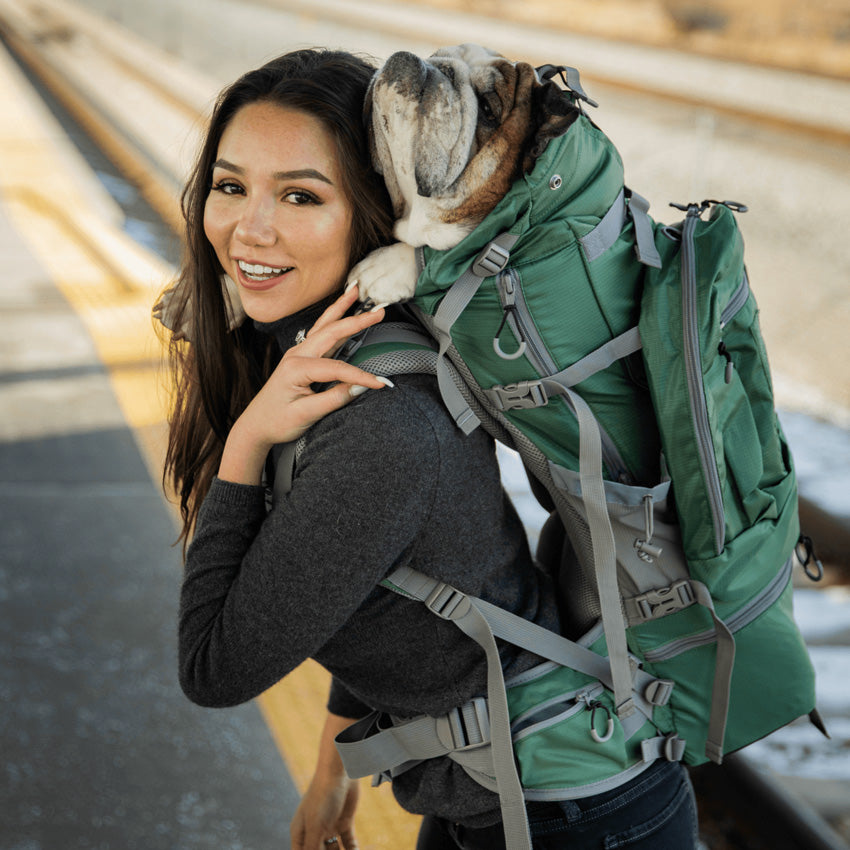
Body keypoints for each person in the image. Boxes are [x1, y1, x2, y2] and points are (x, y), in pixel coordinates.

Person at [161, 47, 700, 850]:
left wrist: (243, 445)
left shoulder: (380, 421)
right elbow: (367, 574)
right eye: (231, 185)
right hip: (494, 792)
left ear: (370, 214)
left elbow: (213, 667)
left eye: (301, 195)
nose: (250, 227)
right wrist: (332, 770)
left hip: (567, 818)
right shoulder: (333, 358)